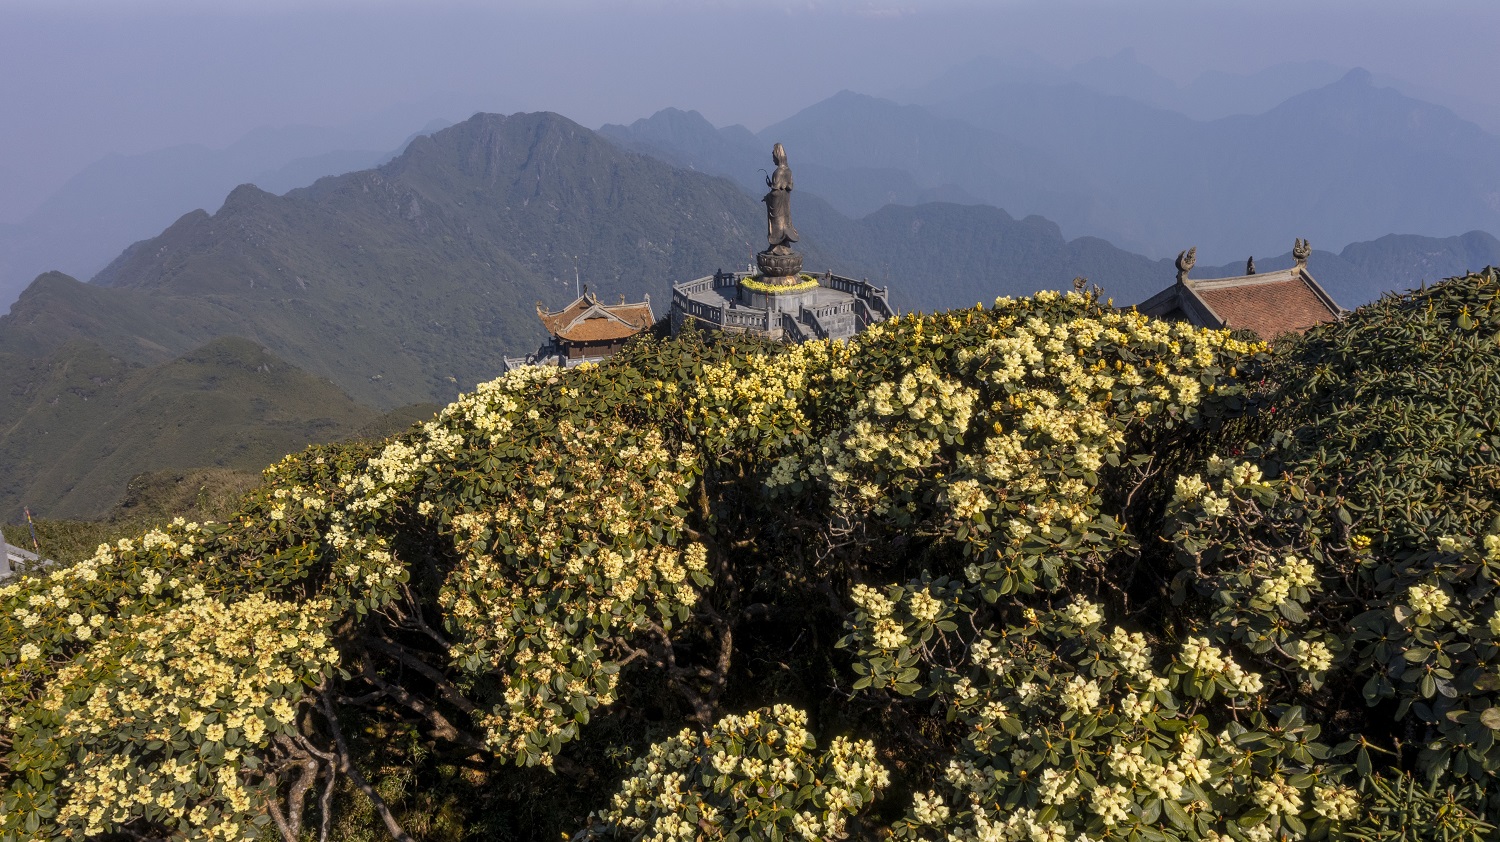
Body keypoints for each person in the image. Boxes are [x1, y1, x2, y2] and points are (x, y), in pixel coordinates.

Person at [763, 143, 799, 252]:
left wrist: (767, 197)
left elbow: (776, 193)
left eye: (773, 156)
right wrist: (772, 185)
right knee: (785, 222)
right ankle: (784, 243)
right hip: (785, 204)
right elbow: (788, 187)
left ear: (777, 156)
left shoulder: (778, 172)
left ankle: (777, 244)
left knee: (778, 225)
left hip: (778, 206)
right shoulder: (788, 171)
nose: (773, 159)